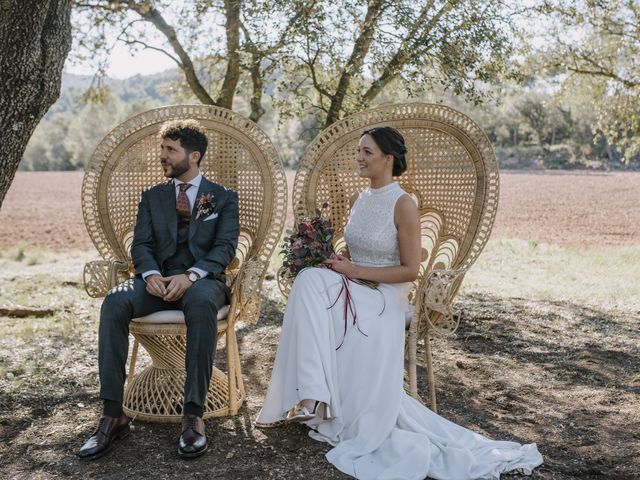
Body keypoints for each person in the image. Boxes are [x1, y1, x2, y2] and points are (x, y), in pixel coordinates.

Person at [256, 127, 543, 479]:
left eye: (366, 152)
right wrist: (334, 259)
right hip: (355, 285)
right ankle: (313, 394)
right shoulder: (361, 199)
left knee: (310, 284)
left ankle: (313, 395)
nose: (359, 158)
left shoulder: (403, 204)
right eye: (358, 151)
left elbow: (410, 270)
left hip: (385, 298)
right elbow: (355, 249)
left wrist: (355, 270)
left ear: (388, 159)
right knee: (309, 280)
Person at [79, 119, 240, 460]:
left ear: (193, 156)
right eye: (162, 149)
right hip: (155, 281)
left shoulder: (223, 197)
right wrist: (150, 273)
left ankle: (193, 417)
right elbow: (141, 244)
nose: (162, 156)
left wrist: (191, 275)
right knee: (114, 302)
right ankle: (112, 414)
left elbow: (225, 248)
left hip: (203, 282)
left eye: (170, 150)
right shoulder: (152, 196)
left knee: (199, 305)